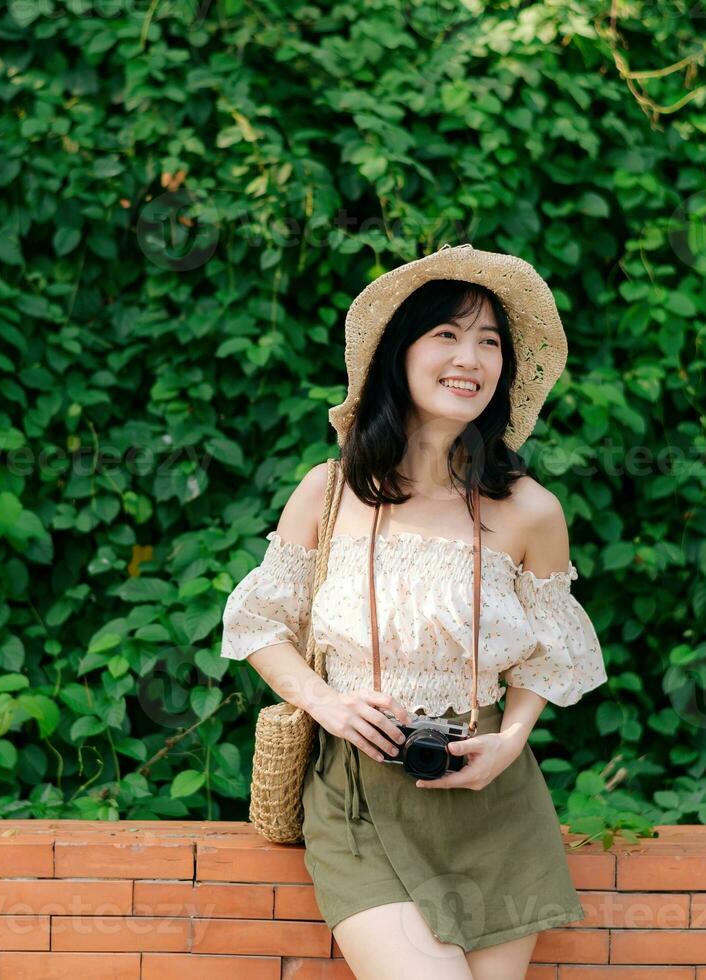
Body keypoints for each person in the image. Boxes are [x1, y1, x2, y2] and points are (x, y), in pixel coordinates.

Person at [219, 244, 608, 979]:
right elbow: (258, 623)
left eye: (489, 342)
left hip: (491, 799)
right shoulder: (329, 492)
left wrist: (514, 737)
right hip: (359, 797)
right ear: (398, 353)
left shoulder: (529, 511)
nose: (471, 357)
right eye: (447, 334)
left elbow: (548, 654)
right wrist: (326, 703)